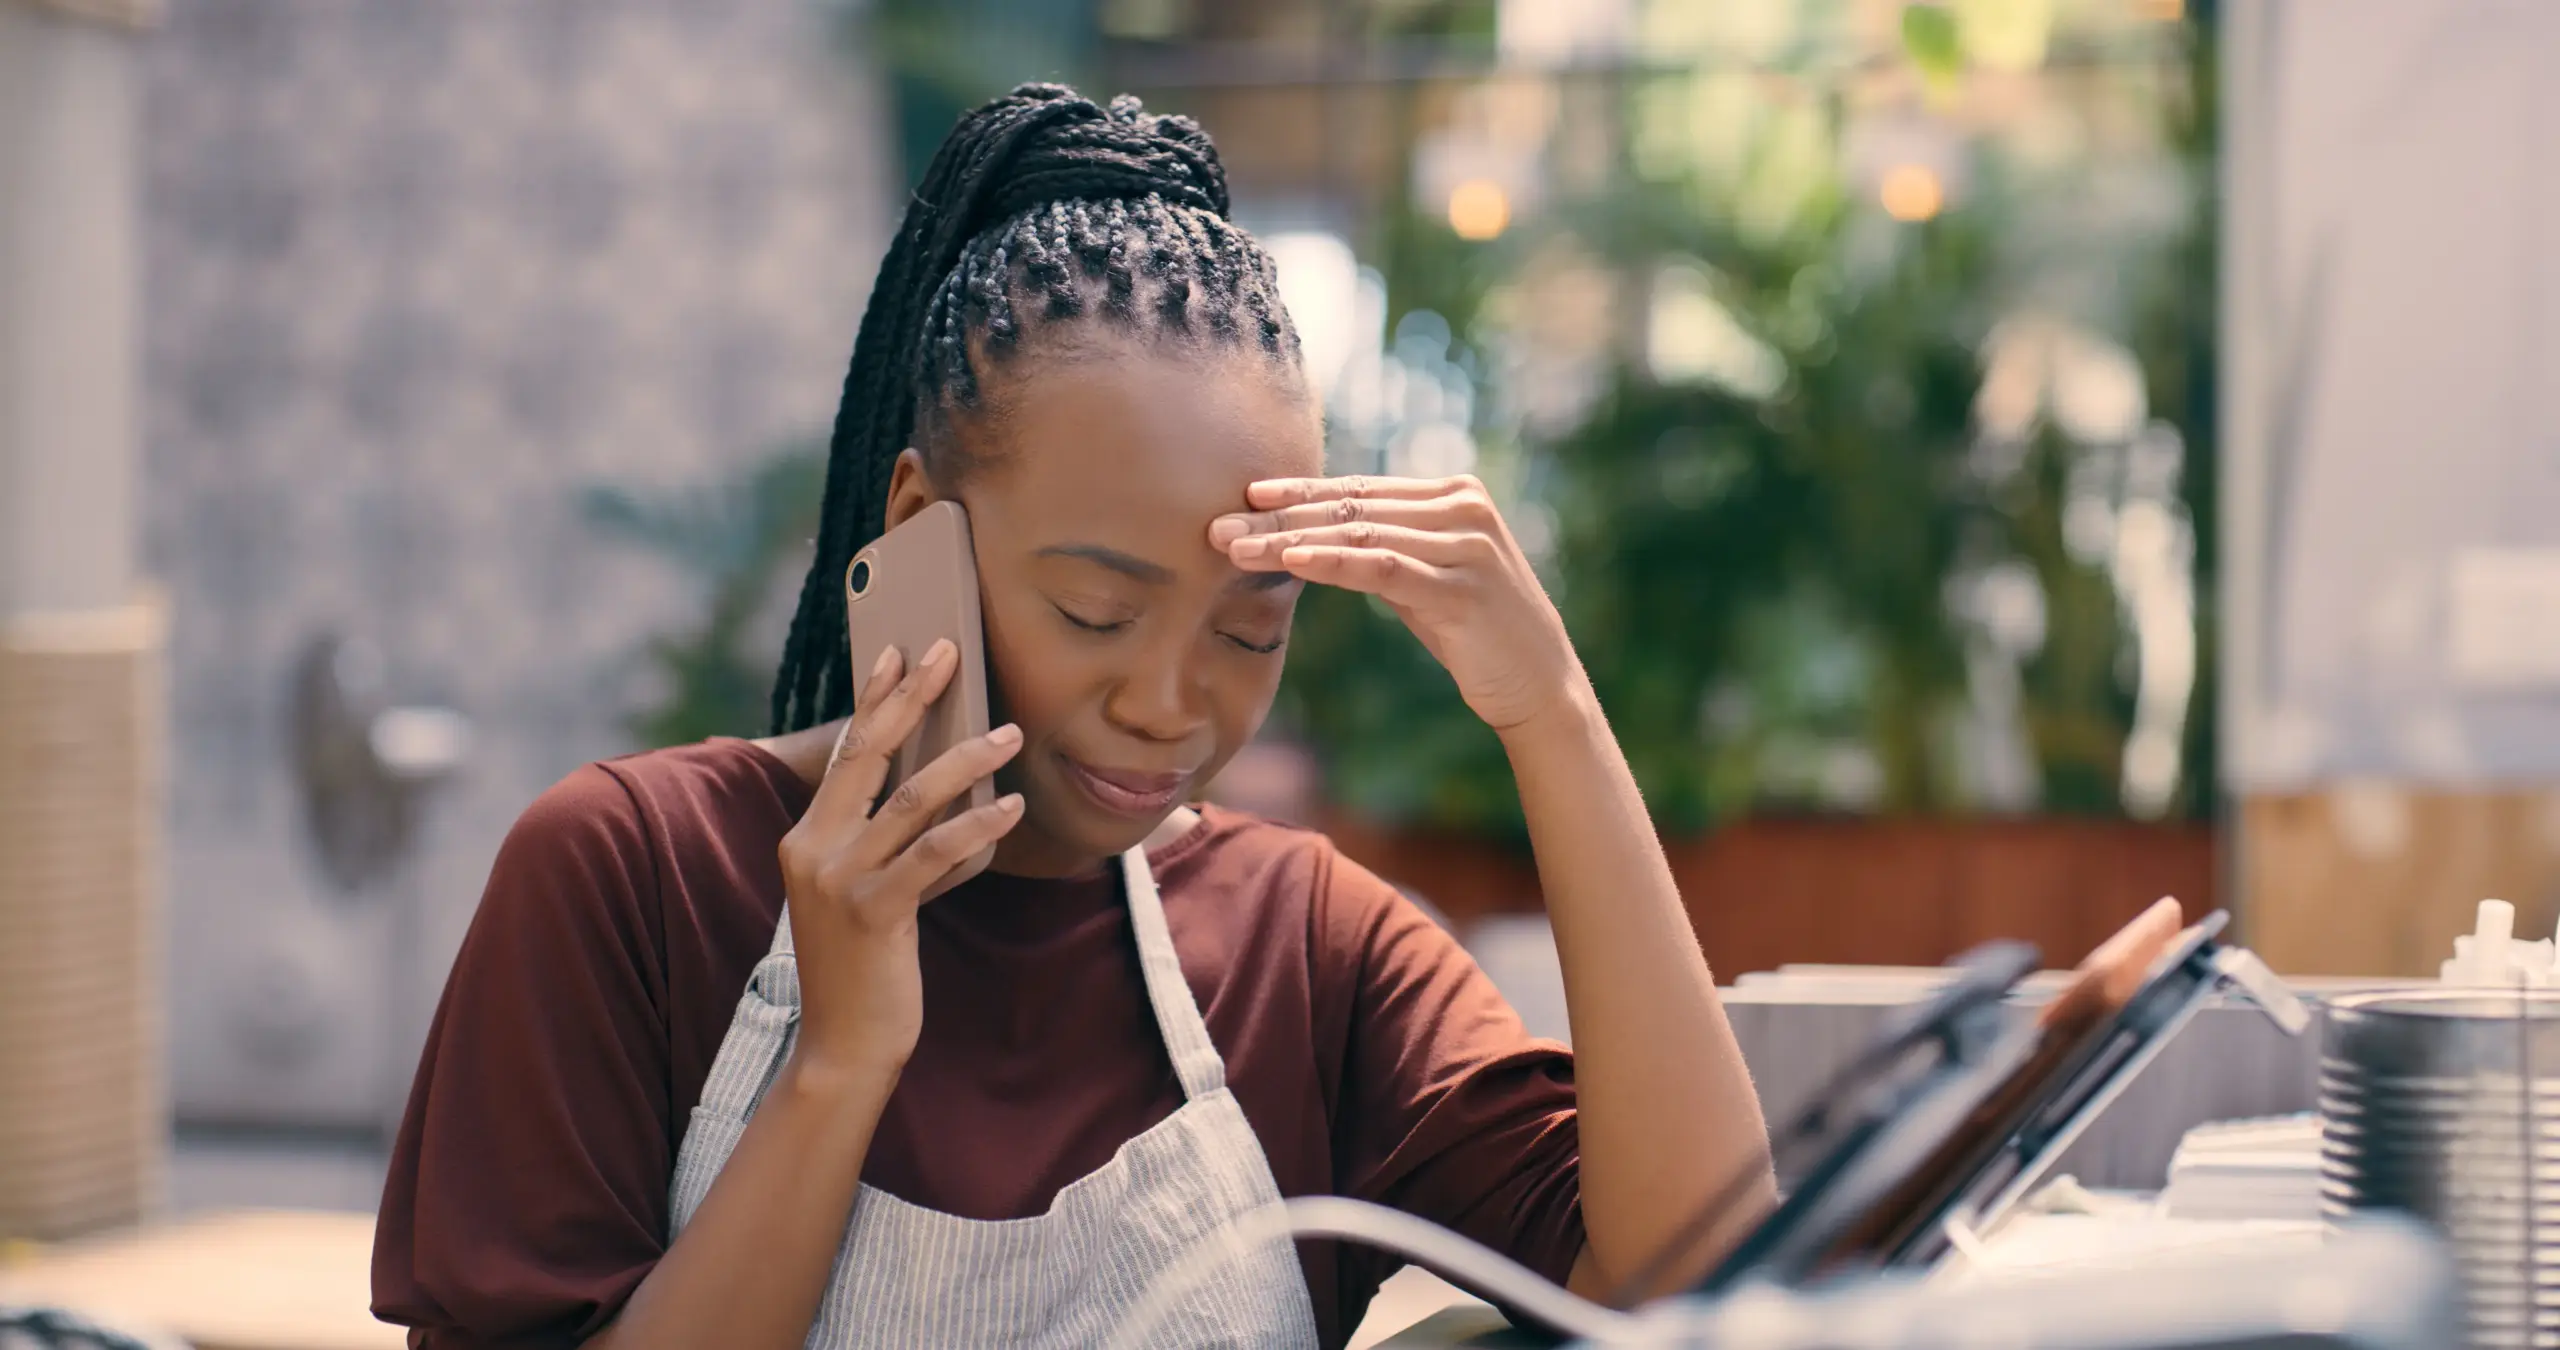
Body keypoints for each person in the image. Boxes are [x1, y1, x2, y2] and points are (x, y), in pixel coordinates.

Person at [371, 84, 1772, 1350]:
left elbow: (1693, 1278)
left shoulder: (1306, 946)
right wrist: (840, 1060)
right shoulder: (635, 875)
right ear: (920, 529)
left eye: (1250, 630)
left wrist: (1556, 715)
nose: (1168, 705)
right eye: (1096, 614)